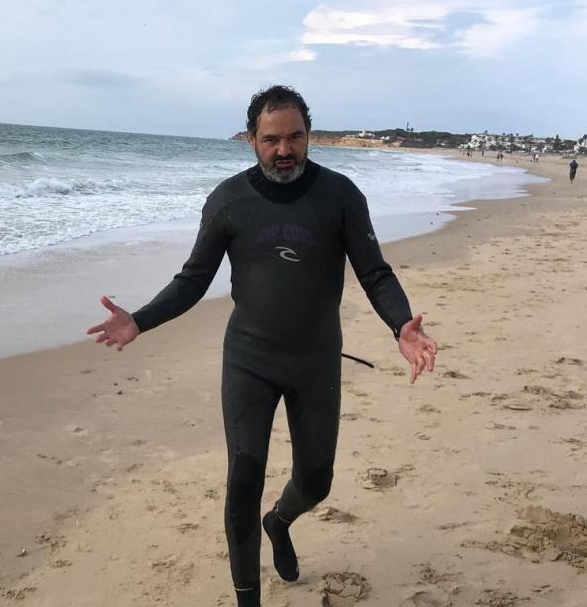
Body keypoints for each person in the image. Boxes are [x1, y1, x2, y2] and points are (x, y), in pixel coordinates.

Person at [86, 85, 438, 607]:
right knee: (243, 482)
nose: (284, 150)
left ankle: (280, 521)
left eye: (295, 137)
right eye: (271, 139)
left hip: (316, 360)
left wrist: (401, 325)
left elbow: (375, 273)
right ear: (251, 139)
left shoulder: (340, 196)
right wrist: (139, 320)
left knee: (316, 482)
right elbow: (192, 280)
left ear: (309, 135)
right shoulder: (228, 201)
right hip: (249, 360)